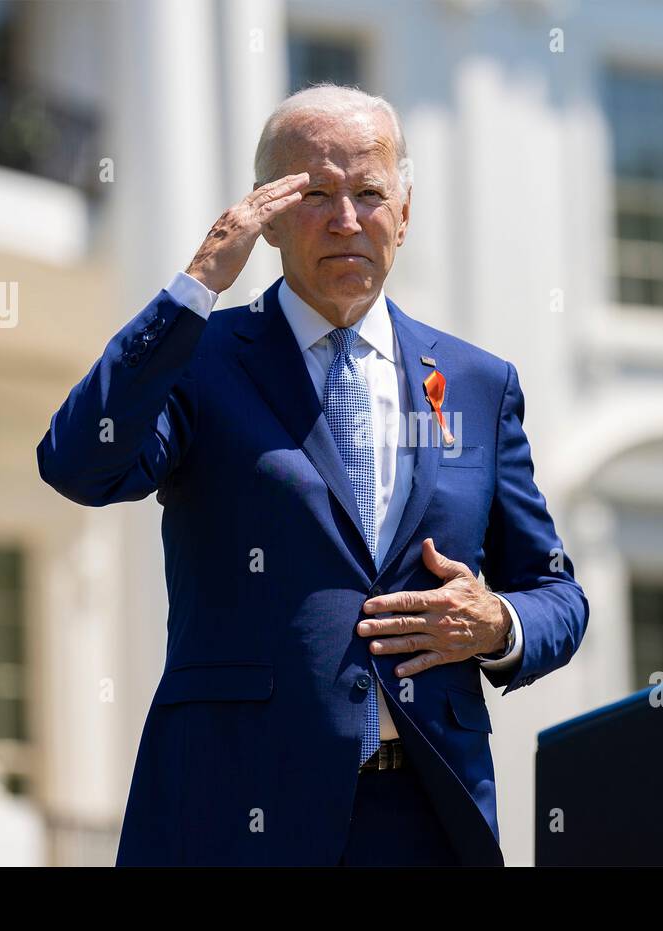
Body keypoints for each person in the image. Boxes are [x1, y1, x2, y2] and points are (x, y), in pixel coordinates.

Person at [36, 84, 589, 866]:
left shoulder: (477, 382)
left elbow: (558, 593)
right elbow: (78, 464)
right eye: (316, 194)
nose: (346, 220)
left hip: (428, 816)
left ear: (405, 210)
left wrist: (497, 624)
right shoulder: (200, 361)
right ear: (266, 215)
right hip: (240, 814)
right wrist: (194, 286)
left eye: (369, 193)